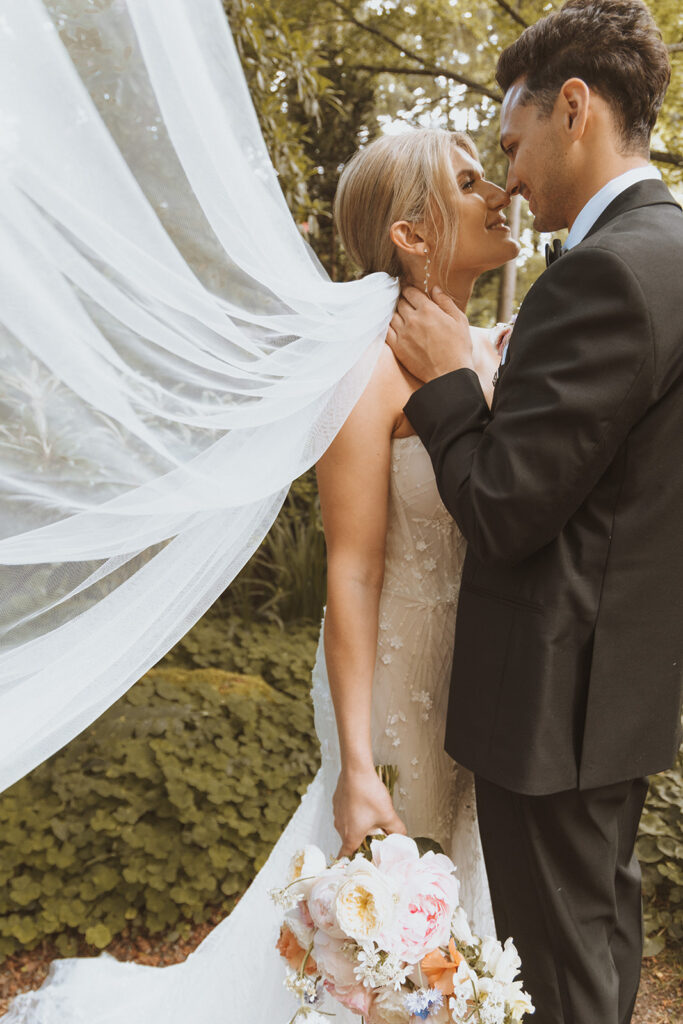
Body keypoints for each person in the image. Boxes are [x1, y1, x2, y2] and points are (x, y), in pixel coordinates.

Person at [2, 129, 521, 1024]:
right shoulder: (367, 373)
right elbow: (351, 573)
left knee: (457, 913)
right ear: (411, 232)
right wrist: (356, 765)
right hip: (394, 692)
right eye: (469, 182)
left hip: (483, 688)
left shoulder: (498, 352)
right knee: (385, 928)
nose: (498, 194)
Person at [386, 2, 683, 1023]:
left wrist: (444, 385)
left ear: (571, 108)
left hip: (552, 706)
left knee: (558, 992)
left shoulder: (604, 272)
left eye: (509, 145)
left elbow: (506, 510)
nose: (507, 176)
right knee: (592, 970)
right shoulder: (670, 252)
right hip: (614, 699)